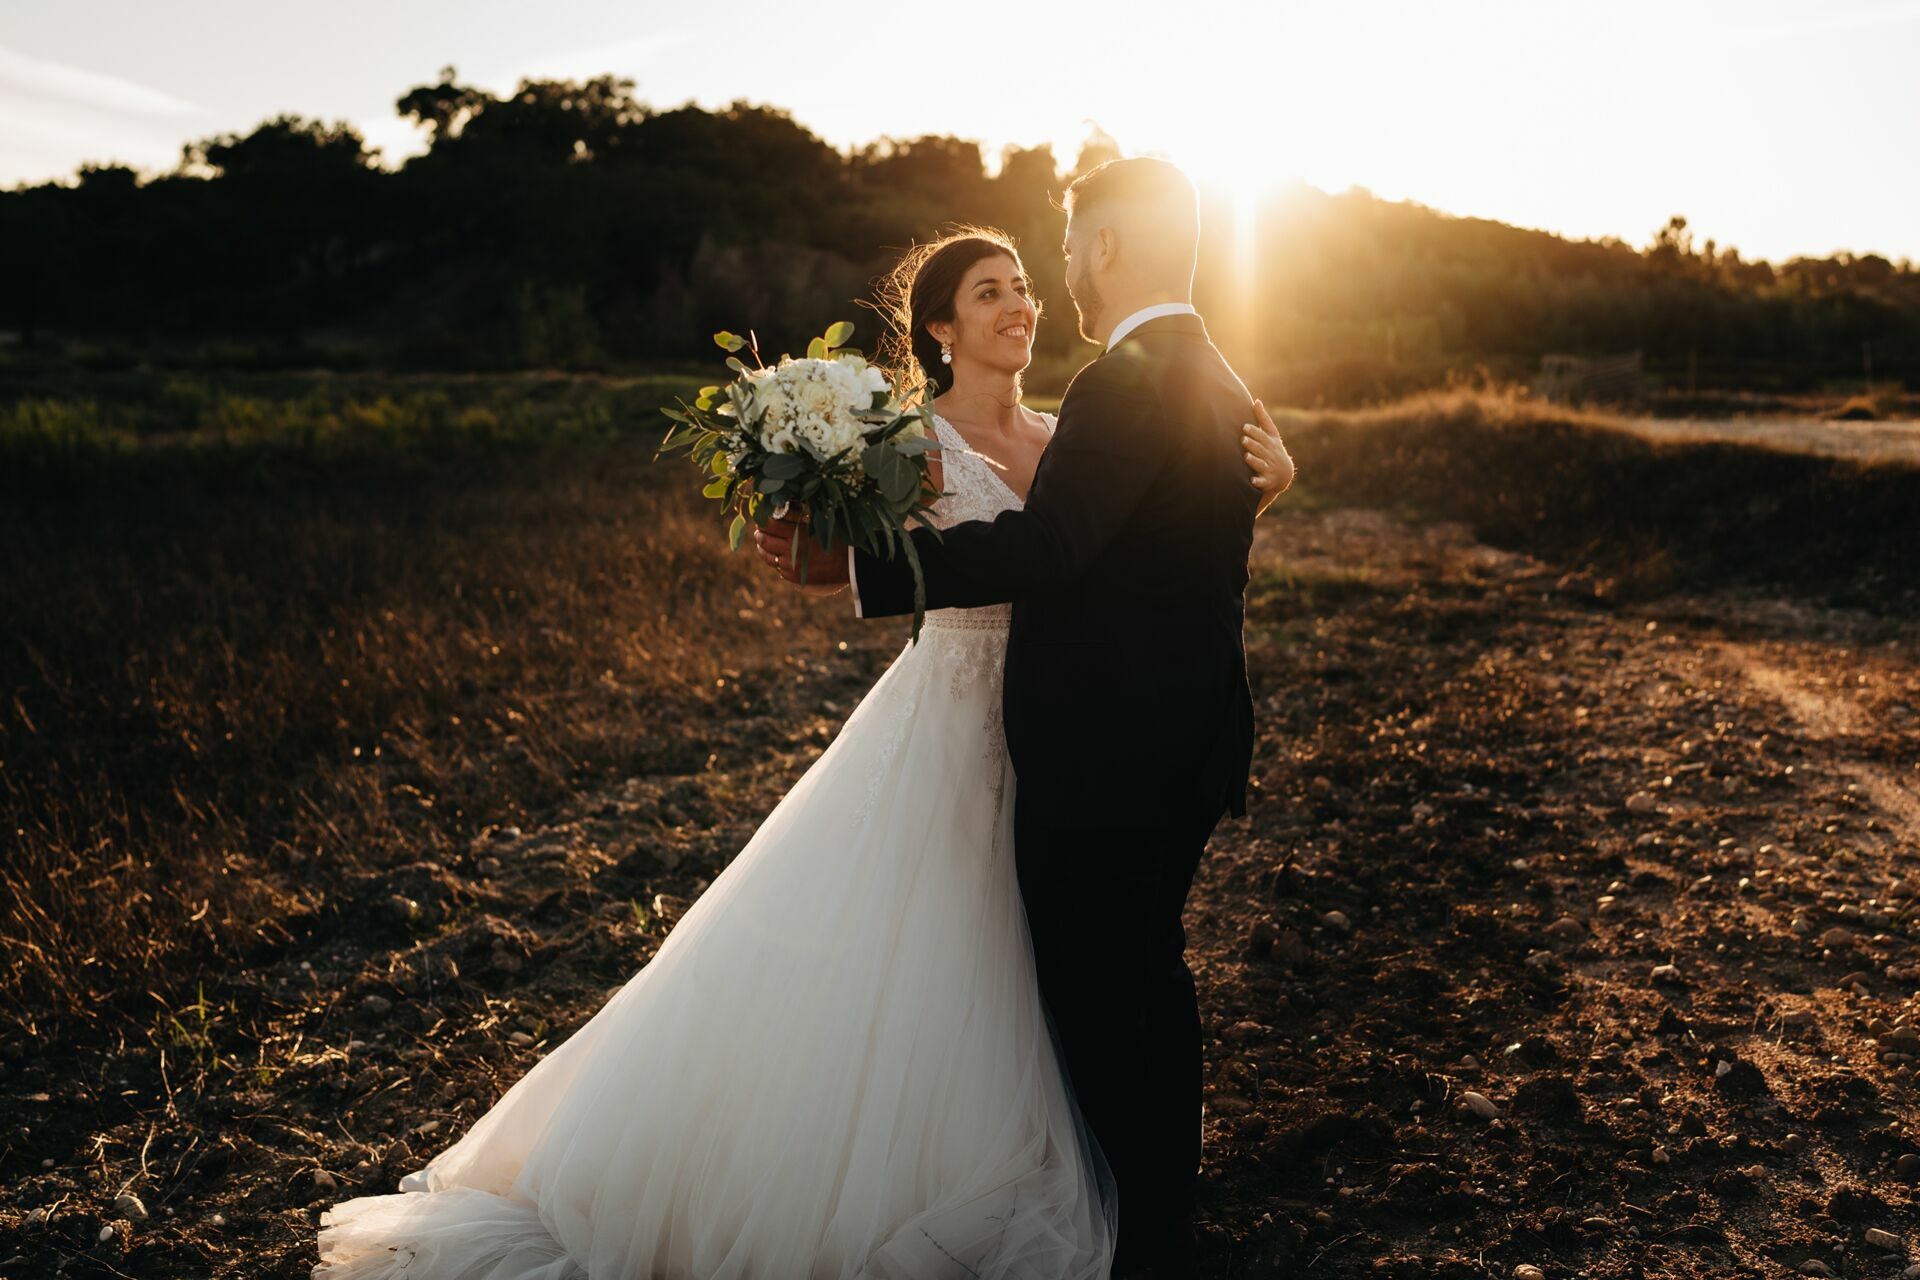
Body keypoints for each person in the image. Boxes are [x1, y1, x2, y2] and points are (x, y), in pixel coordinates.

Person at [314, 218, 1292, 1280]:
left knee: (1048, 965)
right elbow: (833, 561)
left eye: (1025, 286)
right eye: (990, 293)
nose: (1020, 305)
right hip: (959, 717)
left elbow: (1135, 537)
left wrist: (1263, 478)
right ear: (939, 327)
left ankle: (1073, 1159)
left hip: (1067, 722)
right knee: (939, 949)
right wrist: (806, 520)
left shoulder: (1074, 428)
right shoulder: (913, 443)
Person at [758, 158, 1282, 1277]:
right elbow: (1169, 535)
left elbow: (1052, 547)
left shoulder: (1124, 379)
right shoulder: (1211, 370)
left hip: (1113, 746)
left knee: (1103, 993)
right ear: (941, 327)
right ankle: (1145, 1209)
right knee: (1132, 976)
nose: (1047, 289)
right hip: (1161, 732)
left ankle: (1134, 1223)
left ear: (1100, 249)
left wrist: (857, 576)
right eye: (991, 287)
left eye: (1052, 262)